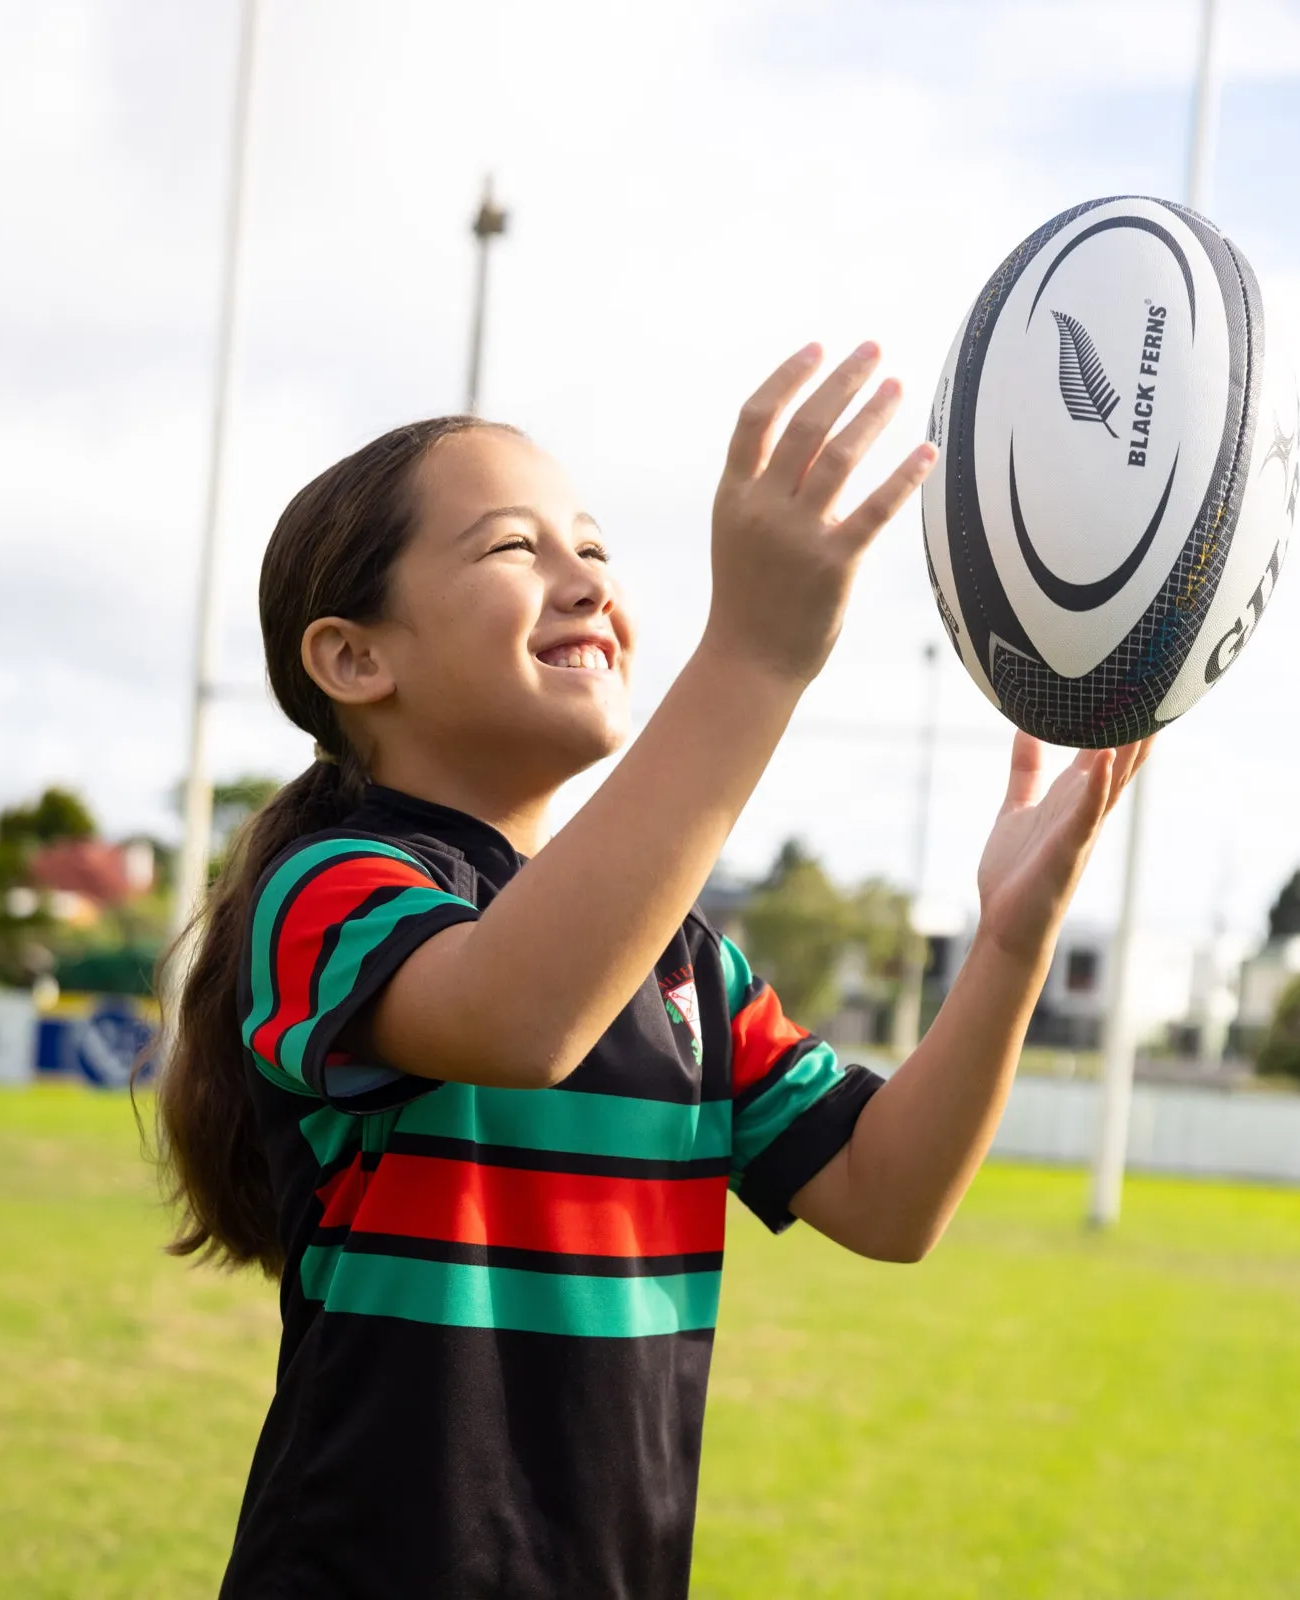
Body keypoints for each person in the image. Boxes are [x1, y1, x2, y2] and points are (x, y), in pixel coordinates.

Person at [152, 341, 1150, 1599]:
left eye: (596, 548)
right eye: (514, 549)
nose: (583, 580)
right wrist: (754, 658)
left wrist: (1010, 941)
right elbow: (521, 1015)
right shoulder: (329, 889)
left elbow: (891, 1201)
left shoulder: (685, 962)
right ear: (355, 659)